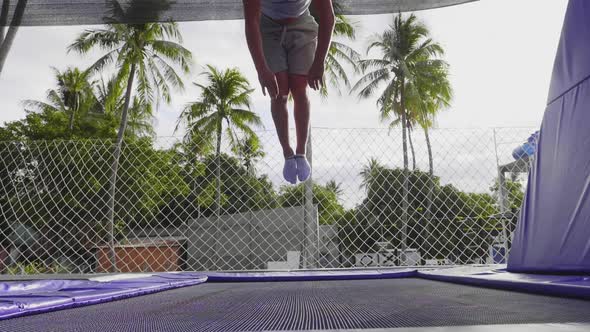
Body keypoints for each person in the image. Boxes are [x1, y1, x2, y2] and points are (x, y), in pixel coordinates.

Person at [242, 0, 335, 184]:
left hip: (301, 21)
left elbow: (328, 17)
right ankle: (287, 152)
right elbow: (251, 21)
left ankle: (301, 153)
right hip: (267, 26)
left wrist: (319, 61)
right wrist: (262, 70)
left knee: (300, 87)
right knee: (279, 91)